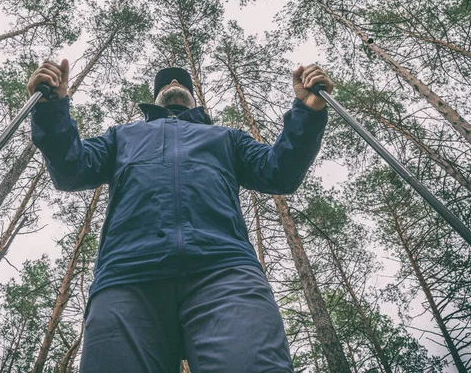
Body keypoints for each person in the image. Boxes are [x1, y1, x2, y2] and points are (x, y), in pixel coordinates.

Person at [28, 60, 333, 373]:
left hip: (224, 270)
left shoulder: (225, 137)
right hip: (127, 276)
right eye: (165, 81)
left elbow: (278, 171)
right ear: (156, 95)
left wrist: (308, 112)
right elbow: (71, 169)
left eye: (181, 80)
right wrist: (52, 109)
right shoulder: (121, 136)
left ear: (192, 94)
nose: (173, 81)